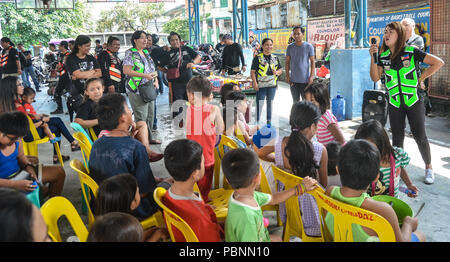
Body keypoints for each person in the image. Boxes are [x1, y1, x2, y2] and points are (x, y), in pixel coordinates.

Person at [369, 21, 444, 184]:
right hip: (395, 102)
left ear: (400, 35)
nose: (386, 34)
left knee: (420, 136)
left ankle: (429, 167)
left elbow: (438, 62)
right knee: (397, 136)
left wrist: (421, 78)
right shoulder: (382, 57)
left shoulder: (411, 52)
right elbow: (375, 77)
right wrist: (372, 58)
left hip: (414, 101)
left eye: (391, 32)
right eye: (385, 32)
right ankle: (399, 169)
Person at [325, 139, 426, 242]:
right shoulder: (384, 210)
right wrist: (408, 224)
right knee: (420, 236)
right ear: (376, 177)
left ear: (337, 169)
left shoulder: (329, 192)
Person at [254, 101, 327, 237]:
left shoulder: (279, 142)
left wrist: (278, 158)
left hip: (287, 208)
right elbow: (324, 184)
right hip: (312, 216)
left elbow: (260, 153)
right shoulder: (320, 150)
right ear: (312, 126)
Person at [89, 93, 165, 219]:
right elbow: (145, 191)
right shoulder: (135, 147)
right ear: (123, 118)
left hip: (103, 206)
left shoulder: (96, 144)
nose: (131, 112)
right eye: (128, 109)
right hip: (131, 209)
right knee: (171, 186)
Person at [222, 148, 318, 242]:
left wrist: (299, 188)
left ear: (227, 180)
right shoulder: (247, 217)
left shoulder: (244, 195)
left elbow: (273, 198)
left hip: (257, 235)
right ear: (258, 178)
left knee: (278, 239)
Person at [162, 139, 224, 242]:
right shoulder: (199, 218)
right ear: (195, 173)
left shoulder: (168, 193)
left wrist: (204, 209)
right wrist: (204, 213)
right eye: (204, 162)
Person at [0, 111, 66, 199]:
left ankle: (52, 205)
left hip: (20, 174)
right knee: (39, 192)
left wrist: (29, 167)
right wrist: (14, 184)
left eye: (18, 138)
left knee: (59, 172)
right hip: (5, 182)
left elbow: (21, 156)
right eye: (12, 138)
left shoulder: (16, 140)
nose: (15, 141)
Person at [94, 174, 169, 242]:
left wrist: (152, 231)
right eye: (138, 192)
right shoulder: (124, 228)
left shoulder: (106, 223)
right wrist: (157, 235)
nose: (139, 194)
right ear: (132, 203)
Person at [355, 119, 418, 198]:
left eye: (371, 149)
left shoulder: (398, 155)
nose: (367, 153)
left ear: (382, 142)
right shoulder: (364, 160)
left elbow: (400, 168)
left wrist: (409, 184)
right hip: (370, 203)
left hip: (393, 201)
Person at [185, 76, 224, 202]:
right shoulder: (213, 109)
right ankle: (203, 204)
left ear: (192, 96)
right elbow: (221, 129)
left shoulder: (189, 109)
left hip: (190, 156)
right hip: (206, 158)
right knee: (204, 187)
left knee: (194, 184)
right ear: (209, 94)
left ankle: (196, 201)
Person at [20, 86, 80, 163]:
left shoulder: (20, 103)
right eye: (19, 85)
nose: (21, 86)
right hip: (32, 132)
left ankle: (60, 153)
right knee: (58, 123)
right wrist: (42, 121)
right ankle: (70, 144)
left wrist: (39, 116)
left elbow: (30, 116)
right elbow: (28, 125)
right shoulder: (21, 106)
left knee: (57, 124)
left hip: (34, 126)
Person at [123, 30, 161, 144]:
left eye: (146, 38)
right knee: (141, 117)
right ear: (135, 40)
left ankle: (149, 139)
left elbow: (152, 69)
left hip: (149, 88)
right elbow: (126, 70)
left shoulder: (146, 52)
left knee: (150, 115)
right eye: (142, 38)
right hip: (137, 89)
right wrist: (144, 75)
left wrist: (156, 80)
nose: (145, 40)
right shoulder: (131, 53)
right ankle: (141, 142)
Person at [159, 31, 201, 120]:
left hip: (189, 82)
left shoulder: (186, 48)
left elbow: (198, 57)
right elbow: (159, 65)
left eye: (176, 39)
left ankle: (189, 122)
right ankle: (179, 124)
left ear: (180, 40)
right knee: (178, 104)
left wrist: (193, 63)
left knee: (190, 102)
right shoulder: (167, 52)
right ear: (169, 42)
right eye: (172, 40)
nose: (175, 42)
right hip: (176, 84)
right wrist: (167, 71)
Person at [65, 35, 102, 122]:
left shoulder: (91, 58)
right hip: (79, 94)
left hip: (93, 94)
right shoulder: (71, 58)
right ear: (79, 46)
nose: (89, 48)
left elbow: (99, 73)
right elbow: (78, 75)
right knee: (84, 119)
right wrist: (93, 71)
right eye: (86, 46)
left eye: (89, 45)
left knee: (96, 116)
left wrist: (82, 74)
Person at [250, 38, 282, 124]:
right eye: (267, 45)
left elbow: (280, 70)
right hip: (261, 85)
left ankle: (269, 121)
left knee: (269, 103)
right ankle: (256, 121)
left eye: (270, 45)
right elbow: (252, 72)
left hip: (272, 85)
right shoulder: (257, 58)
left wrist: (277, 72)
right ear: (263, 46)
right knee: (260, 103)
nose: (269, 46)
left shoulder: (275, 58)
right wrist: (255, 83)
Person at [285, 26, 315, 103]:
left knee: (306, 102)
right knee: (295, 102)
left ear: (303, 34)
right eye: (294, 34)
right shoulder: (290, 47)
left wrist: (311, 76)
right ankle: (296, 115)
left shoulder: (309, 46)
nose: (296, 36)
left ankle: (305, 115)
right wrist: (287, 76)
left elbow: (312, 62)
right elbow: (287, 62)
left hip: (305, 81)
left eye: (298, 33)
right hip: (293, 81)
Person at [51, 41, 71, 115]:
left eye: (59, 45)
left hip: (67, 77)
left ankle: (70, 109)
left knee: (69, 94)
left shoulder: (68, 55)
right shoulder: (60, 54)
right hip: (62, 77)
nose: (58, 47)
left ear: (63, 46)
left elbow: (64, 65)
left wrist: (59, 67)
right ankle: (60, 109)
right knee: (57, 93)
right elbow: (58, 64)